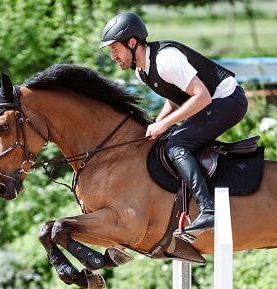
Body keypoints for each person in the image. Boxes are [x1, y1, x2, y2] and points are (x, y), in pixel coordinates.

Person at [99, 12, 248, 237]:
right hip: (212, 102)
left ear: (132, 43)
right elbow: (175, 97)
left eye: (115, 49)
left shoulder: (166, 59)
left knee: (176, 146)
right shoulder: (142, 72)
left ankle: (208, 210)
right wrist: (157, 123)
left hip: (228, 101)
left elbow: (202, 97)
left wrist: (164, 125)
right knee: (165, 140)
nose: (113, 56)